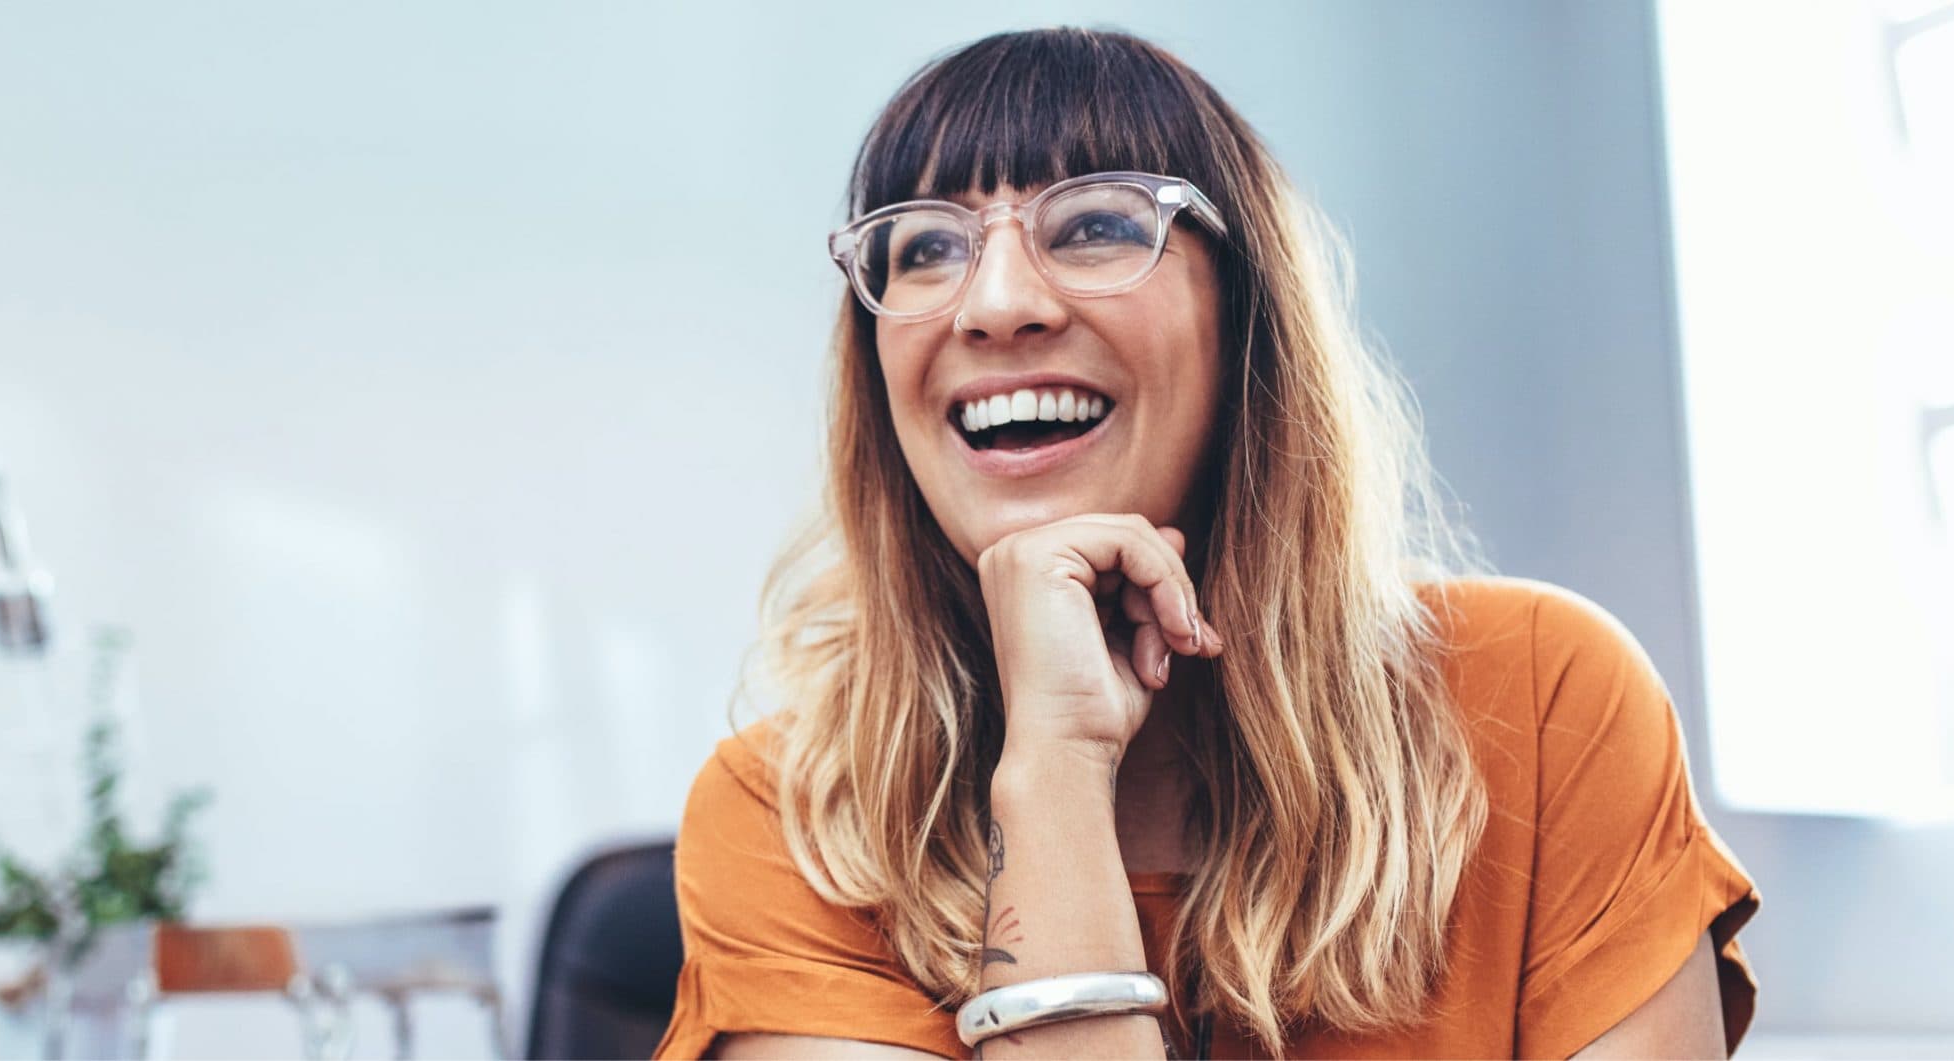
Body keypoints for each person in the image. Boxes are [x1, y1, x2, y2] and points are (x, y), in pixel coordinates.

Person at [656, 27, 1758, 1060]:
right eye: (928, 246)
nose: (994, 304)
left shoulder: (1545, 700)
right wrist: (1053, 769)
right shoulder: (791, 816)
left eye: (1094, 226)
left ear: (1245, 317)